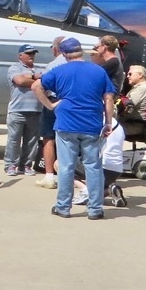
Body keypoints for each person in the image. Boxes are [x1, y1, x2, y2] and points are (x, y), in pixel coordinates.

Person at [32, 36, 117, 219]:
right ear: (81, 51)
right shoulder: (98, 71)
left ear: (64, 53)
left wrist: (50, 105)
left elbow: (36, 86)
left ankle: (63, 207)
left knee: (66, 166)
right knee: (93, 166)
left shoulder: (59, 70)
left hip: (66, 123)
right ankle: (95, 209)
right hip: (92, 124)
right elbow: (108, 98)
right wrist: (108, 122)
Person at [4, 43, 43, 176]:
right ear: (20, 55)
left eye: (33, 53)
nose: (32, 56)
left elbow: (45, 83)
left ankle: (26, 165)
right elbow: (19, 81)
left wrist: (32, 80)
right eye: (29, 53)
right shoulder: (15, 67)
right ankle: (11, 165)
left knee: (32, 140)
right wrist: (35, 79)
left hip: (35, 110)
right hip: (17, 110)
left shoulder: (39, 69)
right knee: (14, 139)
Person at [34, 36, 65, 189]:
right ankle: (69, 175)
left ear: (55, 48)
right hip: (70, 103)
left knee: (48, 138)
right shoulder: (80, 64)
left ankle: (49, 176)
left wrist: (49, 104)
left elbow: (39, 87)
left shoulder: (53, 65)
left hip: (54, 102)